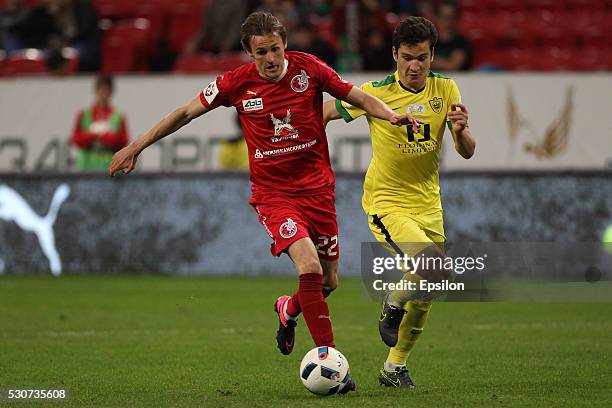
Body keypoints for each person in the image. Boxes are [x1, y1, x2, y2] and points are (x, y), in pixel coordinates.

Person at [108, 12, 417, 393]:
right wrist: (136, 146)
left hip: (318, 192)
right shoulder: (235, 84)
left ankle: (288, 309)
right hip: (274, 196)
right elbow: (186, 113)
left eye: (274, 49)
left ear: (284, 44)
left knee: (329, 281)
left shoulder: (310, 70)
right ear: (248, 53)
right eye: (261, 53)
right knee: (309, 265)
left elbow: (358, 97)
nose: (270, 59)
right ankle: (331, 363)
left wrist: (391, 116)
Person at [323, 16, 475, 388]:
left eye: (422, 58)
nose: (415, 66)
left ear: (432, 55)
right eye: (407, 57)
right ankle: (392, 298)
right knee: (435, 270)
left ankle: (394, 368)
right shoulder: (374, 92)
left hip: (429, 204)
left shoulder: (447, 88)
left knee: (428, 292)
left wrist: (459, 132)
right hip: (388, 202)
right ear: (394, 54)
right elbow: (322, 114)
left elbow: (467, 151)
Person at [71, 75, 129, 170]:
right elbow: (76, 139)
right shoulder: (84, 114)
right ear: (95, 91)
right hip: (85, 167)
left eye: (106, 91)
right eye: (101, 90)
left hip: (109, 167)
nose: (103, 94)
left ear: (111, 92)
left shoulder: (119, 116)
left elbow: (123, 141)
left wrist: (103, 137)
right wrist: (94, 135)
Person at [430, 1, 473, 71]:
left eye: (452, 17)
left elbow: (453, 66)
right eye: (445, 17)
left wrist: (431, 61)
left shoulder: (462, 43)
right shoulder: (428, 42)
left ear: (457, 19)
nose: (448, 21)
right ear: (437, 18)